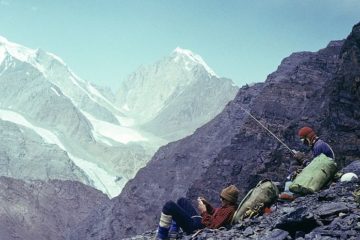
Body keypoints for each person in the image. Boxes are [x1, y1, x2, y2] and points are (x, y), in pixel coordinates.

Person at [155, 185, 239, 240]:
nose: (221, 199)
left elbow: (213, 226)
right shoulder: (227, 207)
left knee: (169, 206)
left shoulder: (229, 211)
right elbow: (215, 214)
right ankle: (173, 232)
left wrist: (203, 212)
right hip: (200, 222)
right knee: (182, 200)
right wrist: (207, 205)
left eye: (223, 198)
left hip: (197, 227)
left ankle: (161, 236)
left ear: (229, 200)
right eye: (221, 197)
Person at [279, 126, 335, 200]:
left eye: (303, 140)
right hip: (323, 170)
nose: (303, 143)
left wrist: (302, 159)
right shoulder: (318, 145)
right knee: (295, 166)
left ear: (308, 137)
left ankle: (291, 194)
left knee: (293, 172)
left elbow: (316, 168)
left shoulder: (319, 146)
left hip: (323, 173)